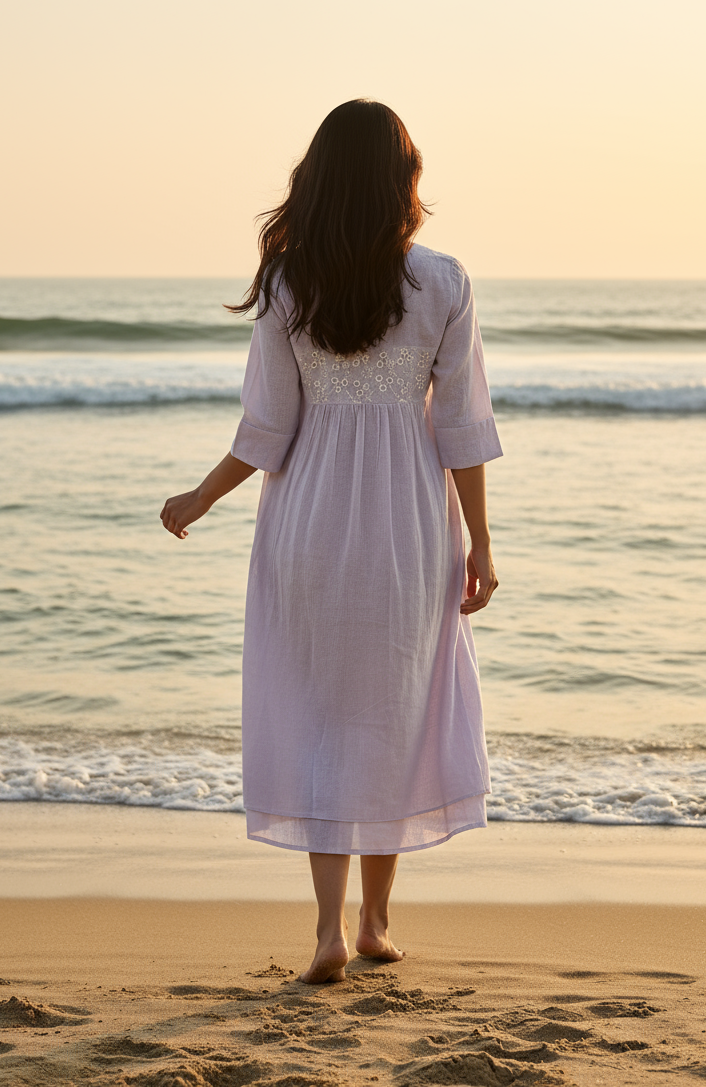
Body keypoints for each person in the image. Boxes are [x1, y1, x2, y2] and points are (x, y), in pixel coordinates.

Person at [160, 99, 502, 983]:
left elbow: (265, 429)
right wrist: (484, 547)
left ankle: (326, 931)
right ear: (402, 179)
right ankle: (378, 922)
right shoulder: (445, 281)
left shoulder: (286, 284)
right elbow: (463, 430)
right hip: (411, 527)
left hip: (306, 523)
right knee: (393, 710)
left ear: (318, 177)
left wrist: (200, 496)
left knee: (321, 718)